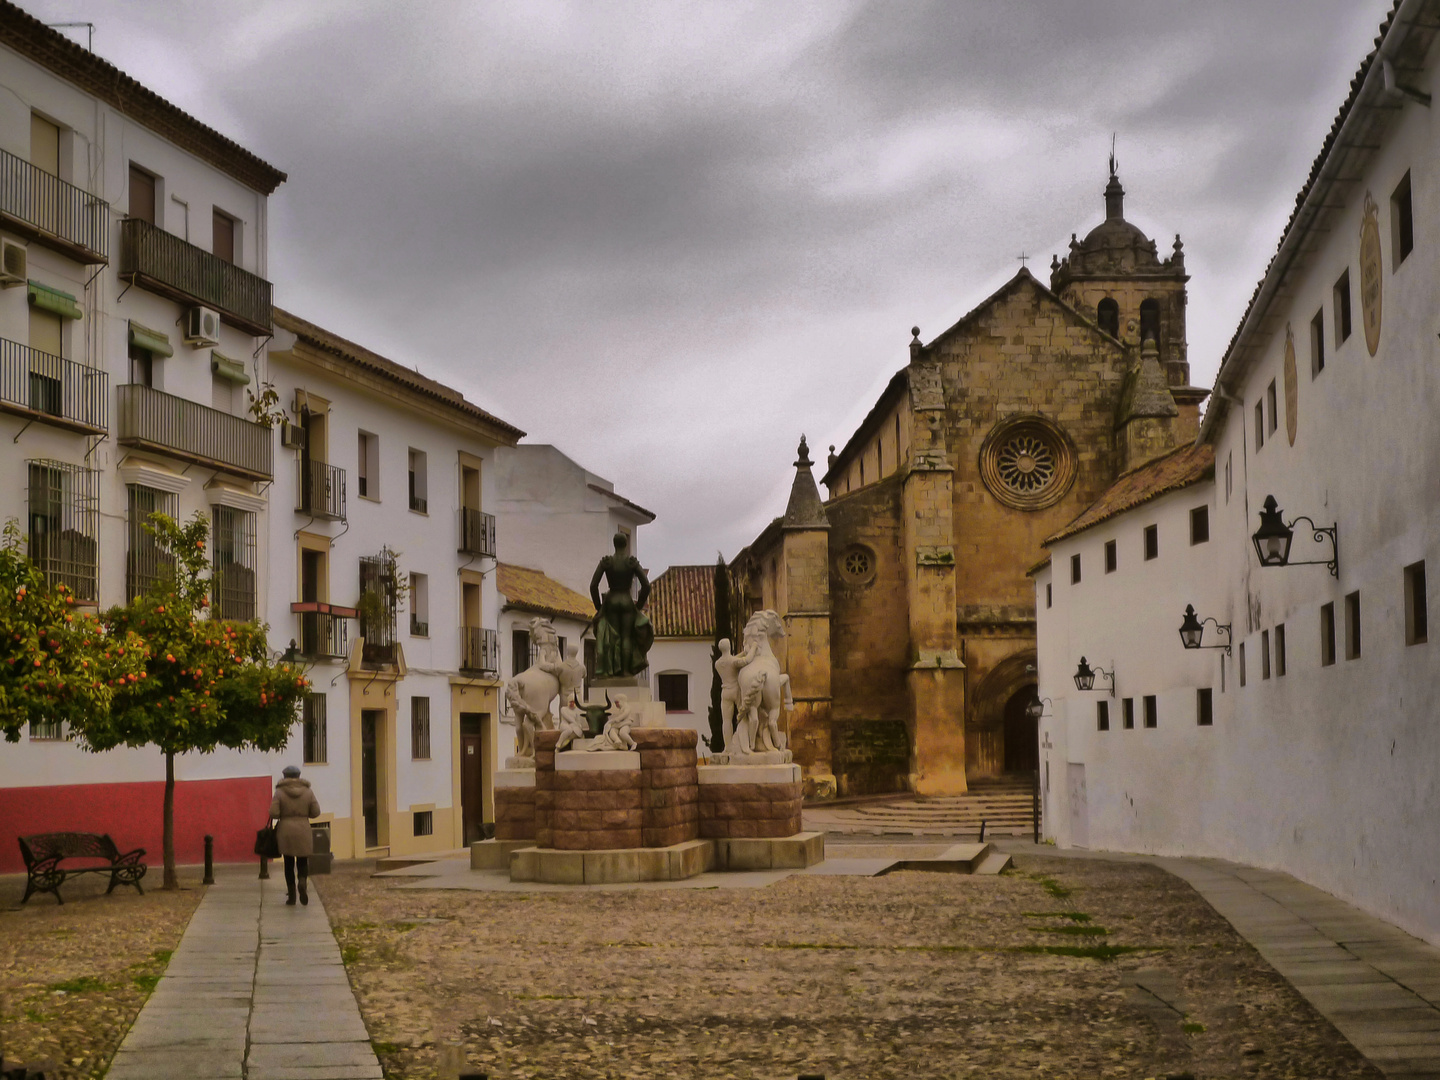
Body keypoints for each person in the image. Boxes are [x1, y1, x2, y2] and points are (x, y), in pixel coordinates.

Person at [588, 532, 654, 677]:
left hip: (611, 601)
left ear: (614, 544)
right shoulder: (631, 563)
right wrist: (639, 606)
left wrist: (599, 607)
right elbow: (646, 586)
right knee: (626, 637)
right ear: (625, 544)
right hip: (626, 600)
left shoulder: (607, 562)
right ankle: (625, 671)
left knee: (612, 638)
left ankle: (612, 670)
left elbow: (593, 586)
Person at [269, 765, 321, 905]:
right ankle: (302, 882)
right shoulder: (308, 792)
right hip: (303, 828)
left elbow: (273, 813)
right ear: (299, 776)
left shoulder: (279, 792)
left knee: (288, 863)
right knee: (303, 860)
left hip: (286, 830)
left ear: (284, 776)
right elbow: (316, 812)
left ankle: (292, 896)